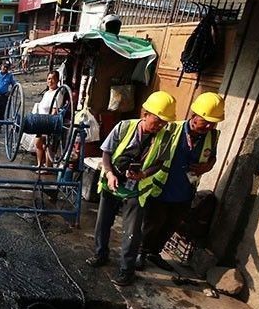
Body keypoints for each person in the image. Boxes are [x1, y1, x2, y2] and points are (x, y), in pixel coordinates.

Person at [87, 91, 177, 287]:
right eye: (158, 120)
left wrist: (143, 174)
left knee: (132, 232)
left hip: (137, 189)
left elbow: (160, 162)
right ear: (145, 114)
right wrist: (110, 174)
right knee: (103, 223)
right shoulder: (124, 127)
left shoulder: (164, 137)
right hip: (113, 183)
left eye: (164, 122)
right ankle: (100, 254)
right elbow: (106, 152)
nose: (160, 125)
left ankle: (126, 271)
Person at [137, 93, 225, 271]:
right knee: (152, 223)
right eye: (205, 121)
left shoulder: (212, 136)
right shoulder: (171, 129)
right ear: (194, 115)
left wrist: (206, 168)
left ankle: (155, 253)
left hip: (185, 191)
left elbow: (213, 158)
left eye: (213, 123)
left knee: (171, 225)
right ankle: (140, 253)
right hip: (161, 187)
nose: (208, 126)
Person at [30, 70, 63, 169]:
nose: (50, 81)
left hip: (49, 122)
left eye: (53, 79)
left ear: (57, 80)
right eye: (49, 79)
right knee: (38, 143)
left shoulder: (58, 93)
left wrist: (49, 122)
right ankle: (40, 164)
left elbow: (55, 110)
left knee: (47, 144)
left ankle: (47, 167)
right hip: (41, 121)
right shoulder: (47, 92)